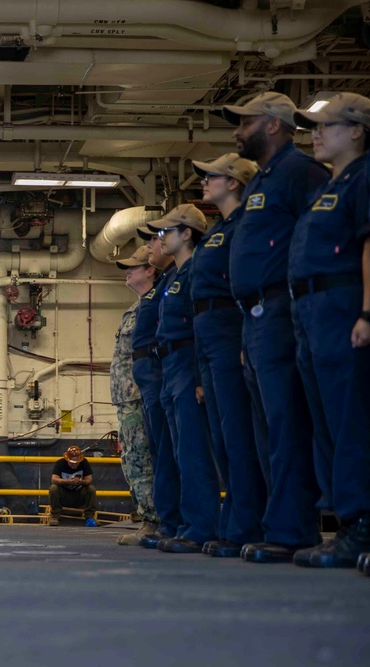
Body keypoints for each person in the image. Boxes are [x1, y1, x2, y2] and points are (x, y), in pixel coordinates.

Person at [223, 92, 330, 564]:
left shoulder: (300, 172)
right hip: (256, 316)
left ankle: (293, 529)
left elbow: (317, 239)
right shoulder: (265, 179)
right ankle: (280, 522)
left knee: (287, 423)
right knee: (268, 427)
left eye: (244, 122)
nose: (236, 131)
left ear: (272, 124)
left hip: (281, 311)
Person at [289, 93, 370, 568]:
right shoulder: (325, 188)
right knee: (324, 420)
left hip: (342, 305)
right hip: (311, 310)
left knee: (348, 419)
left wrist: (366, 312)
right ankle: (342, 524)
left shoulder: (362, 178)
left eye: (327, 126)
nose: (316, 134)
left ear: (358, 130)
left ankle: (360, 524)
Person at [192, 153, 268, 558]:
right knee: (225, 439)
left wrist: (243, 337)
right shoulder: (220, 230)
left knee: (241, 436)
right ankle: (235, 521)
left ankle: (248, 524)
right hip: (210, 335)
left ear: (235, 182)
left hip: (230, 327)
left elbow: (244, 280)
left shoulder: (243, 226)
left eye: (212, 176)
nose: (204, 181)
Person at [147, 204, 221, 554]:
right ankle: (184, 524)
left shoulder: (194, 272)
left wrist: (199, 375)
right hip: (170, 366)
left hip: (188, 363)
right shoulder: (173, 277)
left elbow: (200, 325)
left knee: (193, 452)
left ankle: (201, 526)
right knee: (178, 452)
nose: (160, 238)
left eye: (167, 231)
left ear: (187, 234)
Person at [129, 226, 181, 549]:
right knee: (162, 451)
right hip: (153, 376)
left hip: (166, 370)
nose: (152, 244)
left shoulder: (173, 280)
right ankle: (172, 521)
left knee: (174, 452)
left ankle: (178, 522)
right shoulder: (163, 284)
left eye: (156, 237)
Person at [111, 245, 159, 545]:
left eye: (134, 266)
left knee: (143, 460)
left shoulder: (152, 306)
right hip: (127, 397)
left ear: (150, 270)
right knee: (132, 459)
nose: (127, 271)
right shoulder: (137, 307)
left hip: (141, 395)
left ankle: (155, 521)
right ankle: (147, 517)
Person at [48, 446, 98, 526]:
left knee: (91, 489)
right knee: (53, 488)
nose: (74, 466)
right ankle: (55, 516)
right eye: (72, 463)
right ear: (67, 460)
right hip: (64, 494)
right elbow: (54, 479)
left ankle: (90, 516)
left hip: (79, 494)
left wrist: (81, 482)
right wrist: (67, 481)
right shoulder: (60, 463)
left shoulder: (84, 463)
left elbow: (89, 479)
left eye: (76, 463)